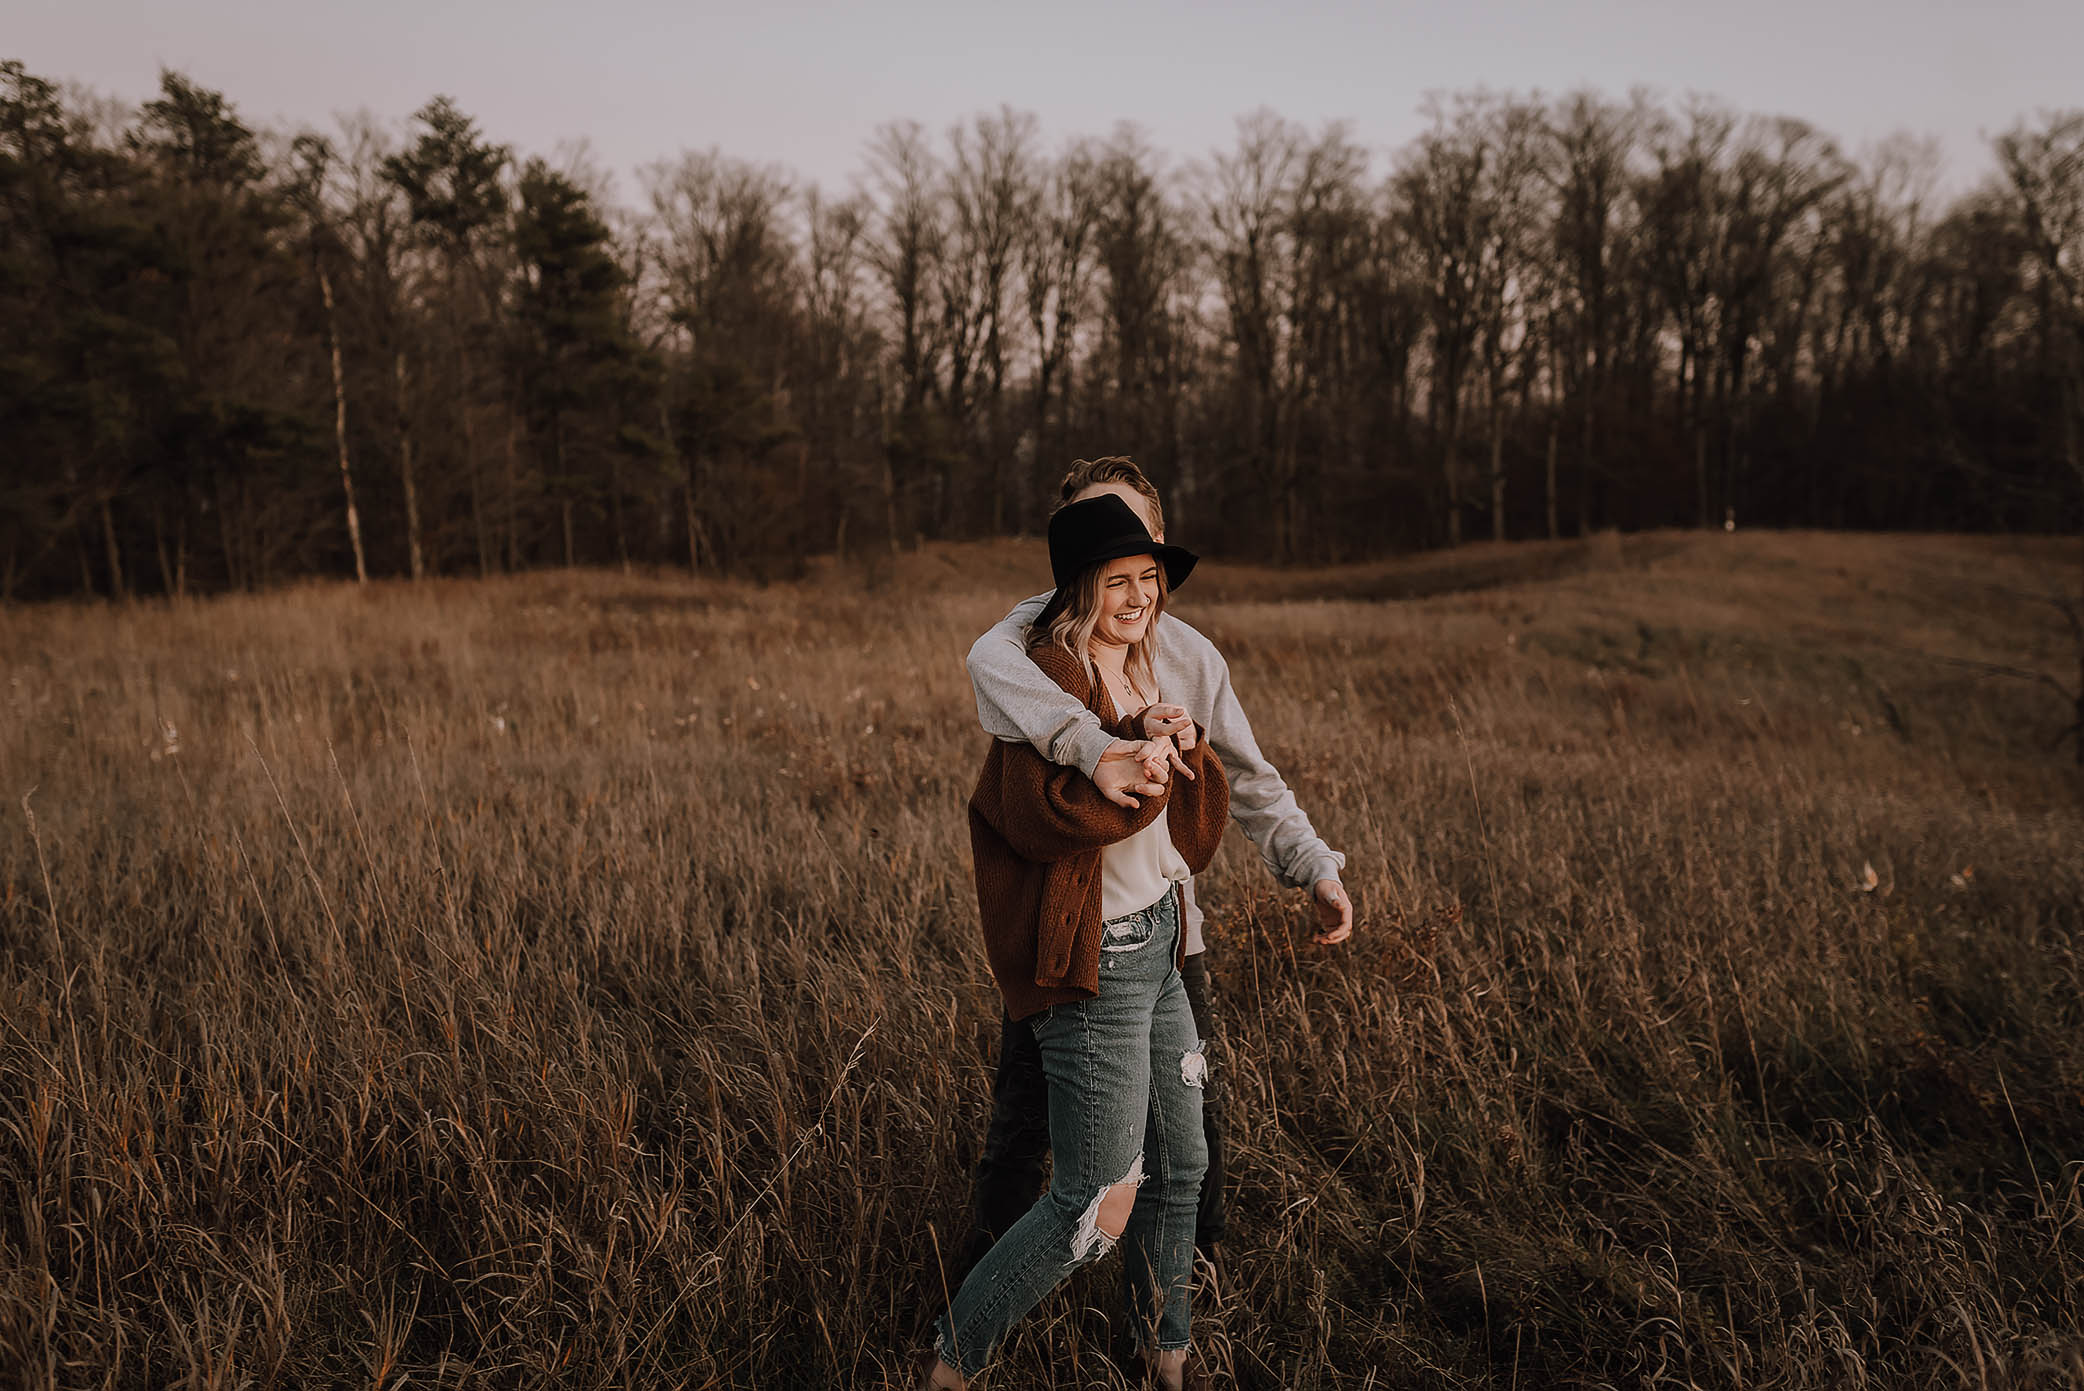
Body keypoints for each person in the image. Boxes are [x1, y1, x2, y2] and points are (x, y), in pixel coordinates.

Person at [962, 458, 1352, 1267]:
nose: (1123, 575)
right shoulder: (1030, 640)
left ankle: (1176, 1293)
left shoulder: (1190, 657)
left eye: (1133, 544)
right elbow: (984, 663)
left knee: (1190, 1133)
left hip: (1174, 937)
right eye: (1095, 547)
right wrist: (1097, 745)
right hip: (1063, 932)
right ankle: (972, 1288)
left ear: (1158, 544)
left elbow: (1247, 778)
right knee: (1023, 1125)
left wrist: (1312, 863)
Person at [921, 494, 1229, 1390]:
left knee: (1183, 1165)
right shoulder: (1045, 677)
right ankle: (951, 1360)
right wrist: (1117, 752)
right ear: (1080, 588)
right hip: (1096, 958)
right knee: (1094, 1202)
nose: (1138, 598)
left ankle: (1161, 1355)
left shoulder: (1146, 667)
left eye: (1149, 579)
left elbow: (1178, 825)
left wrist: (1173, 739)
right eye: (1117, 582)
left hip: (1162, 938)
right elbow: (1038, 817)